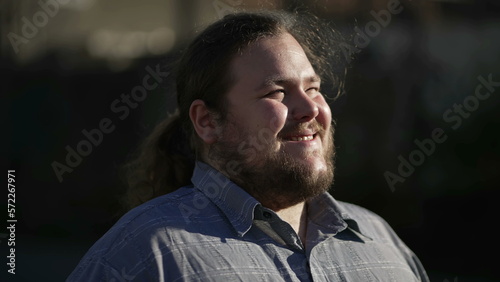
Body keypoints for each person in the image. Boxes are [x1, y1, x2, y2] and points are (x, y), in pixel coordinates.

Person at [68, 11, 429, 281]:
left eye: (313, 88)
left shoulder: (380, 241)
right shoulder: (146, 255)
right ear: (208, 121)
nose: (309, 109)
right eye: (276, 92)